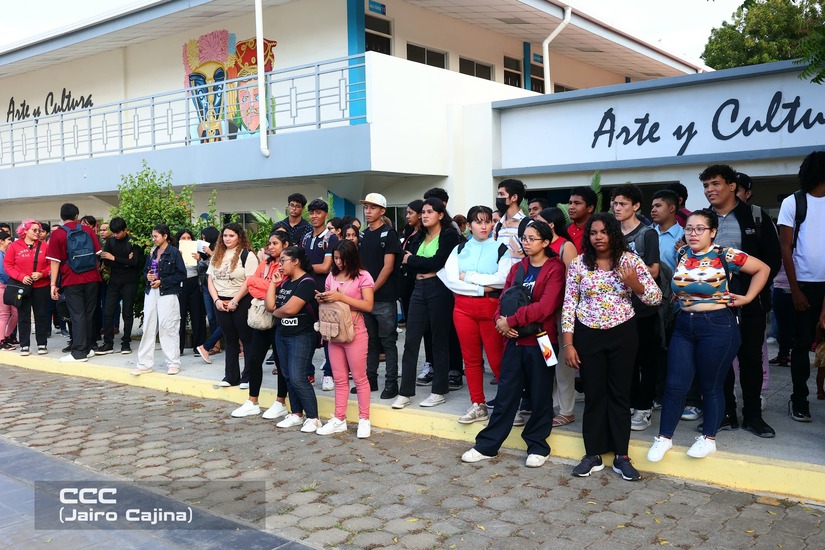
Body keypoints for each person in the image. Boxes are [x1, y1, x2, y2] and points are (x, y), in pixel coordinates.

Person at [648, 210, 769, 462]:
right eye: (689, 228)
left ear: (712, 232)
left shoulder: (726, 254)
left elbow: (763, 269)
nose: (693, 234)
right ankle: (664, 438)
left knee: (711, 385)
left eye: (699, 229)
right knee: (675, 384)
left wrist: (747, 298)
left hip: (717, 325)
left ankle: (708, 439)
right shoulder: (682, 253)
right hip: (684, 325)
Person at [563, 213, 661, 481]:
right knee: (594, 394)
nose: (598, 237)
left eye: (604, 232)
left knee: (619, 394)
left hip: (622, 333)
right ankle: (592, 454)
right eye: (593, 233)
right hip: (587, 334)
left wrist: (634, 284)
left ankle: (621, 456)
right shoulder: (579, 263)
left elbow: (655, 298)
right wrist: (568, 344)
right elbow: (569, 304)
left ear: (613, 234)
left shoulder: (629, 260)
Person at [461, 221, 565, 467]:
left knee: (541, 395)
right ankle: (488, 445)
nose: (526, 243)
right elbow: (504, 298)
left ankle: (538, 445)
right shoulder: (518, 267)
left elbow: (546, 306)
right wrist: (500, 321)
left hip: (543, 341)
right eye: (524, 238)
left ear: (546, 242)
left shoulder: (555, 269)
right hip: (514, 341)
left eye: (532, 238)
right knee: (506, 393)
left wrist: (511, 321)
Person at [703, 164, 780, 437]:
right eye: (706, 186)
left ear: (732, 186)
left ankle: (753, 417)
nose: (710, 190)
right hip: (713, 304)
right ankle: (725, 415)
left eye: (715, 184)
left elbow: (772, 260)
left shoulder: (755, 216)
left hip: (750, 302)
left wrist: (752, 291)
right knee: (719, 361)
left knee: (750, 360)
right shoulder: (703, 219)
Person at [439, 205, 510, 424]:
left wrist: (469, 276)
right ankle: (478, 404)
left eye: (488, 221)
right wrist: (482, 288)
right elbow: (451, 280)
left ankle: (509, 406)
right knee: (471, 360)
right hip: (462, 309)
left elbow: (503, 279)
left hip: (491, 308)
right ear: (469, 226)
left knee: (498, 360)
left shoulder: (501, 248)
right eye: (478, 222)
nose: (484, 226)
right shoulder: (459, 249)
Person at [393, 198, 461, 409]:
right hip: (418, 288)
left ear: (440, 214)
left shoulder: (449, 234)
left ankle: (439, 391)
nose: (424, 215)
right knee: (411, 340)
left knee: (439, 340)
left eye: (430, 211)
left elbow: (437, 262)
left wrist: (413, 260)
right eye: (423, 212)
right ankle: (405, 392)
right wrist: (416, 263)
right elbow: (407, 262)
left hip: (439, 288)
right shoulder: (419, 235)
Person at [778, 151, 825, 422]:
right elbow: (785, 248)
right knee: (802, 344)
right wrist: (795, 289)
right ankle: (799, 399)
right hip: (803, 285)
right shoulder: (794, 202)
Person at [611, 184, 661, 433]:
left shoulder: (647, 234)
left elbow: (654, 270)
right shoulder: (612, 232)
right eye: (615, 203)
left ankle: (644, 407)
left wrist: (630, 271)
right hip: (618, 308)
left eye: (623, 204)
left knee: (646, 360)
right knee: (625, 359)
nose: (617, 208)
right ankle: (630, 402)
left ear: (636, 206)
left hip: (643, 307)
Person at [231, 229, 292, 420]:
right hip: (262, 317)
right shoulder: (265, 263)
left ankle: (280, 402)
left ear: (285, 245)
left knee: (281, 363)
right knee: (254, 359)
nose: (270, 247)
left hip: (279, 317)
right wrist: (267, 287)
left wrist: (265, 286)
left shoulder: (286, 265)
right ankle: (252, 401)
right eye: (269, 243)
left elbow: (281, 287)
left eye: (275, 243)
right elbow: (251, 285)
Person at [316, 240, 375, 438]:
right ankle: (339, 418)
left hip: (355, 331)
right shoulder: (331, 276)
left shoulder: (363, 276)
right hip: (334, 332)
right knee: (340, 379)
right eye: (335, 258)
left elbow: (368, 305)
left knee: (359, 378)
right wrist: (324, 298)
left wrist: (341, 298)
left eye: (342, 258)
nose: (338, 262)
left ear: (351, 257)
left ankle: (364, 419)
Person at [265, 246, 322, 433]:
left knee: (298, 377)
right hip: (282, 334)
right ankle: (296, 414)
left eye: (283, 260)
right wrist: (273, 283)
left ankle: (313, 418)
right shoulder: (285, 282)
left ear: (296, 261)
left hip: (301, 335)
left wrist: (276, 312)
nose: (280, 265)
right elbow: (269, 305)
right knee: (287, 376)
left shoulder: (307, 282)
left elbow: (290, 309)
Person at [536, 207, 578, 427]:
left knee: (563, 364)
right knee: (547, 359)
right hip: (543, 315)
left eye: (539, 220)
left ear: (551, 224)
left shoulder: (565, 246)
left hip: (561, 313)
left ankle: (567, 410)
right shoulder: (538, 245)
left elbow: (573, 282)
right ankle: (550, 406)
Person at [358, 193, 402, 399]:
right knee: (370, 342)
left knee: (388, 341)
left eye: (373, 207)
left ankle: (391, 383)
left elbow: (388, 267)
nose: (368, 211)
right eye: (366, 207)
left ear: (382, 211)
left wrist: (371, 290)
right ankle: (371, 380)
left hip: (383, 298)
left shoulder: (389, 234)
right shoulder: (363, 235)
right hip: (366, 299)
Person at [47, 204, 103, 363]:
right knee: (89, 314)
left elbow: (55, 262)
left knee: (77, 315)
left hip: (72, 279)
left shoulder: (57, 234)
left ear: (61, 216)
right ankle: (88, 348)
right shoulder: (88, 230)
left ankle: (78, 353)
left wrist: (53, 284)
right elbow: (98, 253)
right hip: (92, 278)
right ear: (77, 216)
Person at [206, 223, 259, 387]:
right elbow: (210, 279)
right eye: (225, 235)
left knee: (246, 338)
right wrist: (216, 300)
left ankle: (248, 377)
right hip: (221, 301)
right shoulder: (217, 254)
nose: (227, 239)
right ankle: (231, 376)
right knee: (230, 339)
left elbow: (250, 281)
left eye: (231, 235)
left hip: (242, 300)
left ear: (239, 237)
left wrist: (235, 300)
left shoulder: (247, 255)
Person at [131, 224, 186, 376]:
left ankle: (173, 363)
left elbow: (181, 275)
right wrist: (148, 277)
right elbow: (145, 271)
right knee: (148, 326)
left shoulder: (174, 252)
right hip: (151, 292)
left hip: (168, 293)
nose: (153, 239)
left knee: (168, 327)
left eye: (156, 236)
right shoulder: (152, 252)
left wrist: (162, 282)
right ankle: (144, 363)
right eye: (153, 236)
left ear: (165, 236)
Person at [302, 198, 339, 390]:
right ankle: (308, 372)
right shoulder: (305, 238)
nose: (314, 216)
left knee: (327, 333)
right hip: (305, 291)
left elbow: (325, 267)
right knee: (306, 332)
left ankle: (329, 373)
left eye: (318, 212)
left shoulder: (331, 238)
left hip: (324, 291)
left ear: (326, 215)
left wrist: (304, 268)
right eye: (312, 212)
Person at [96, 217, 142, 355]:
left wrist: (115, 258)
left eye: (118, 232)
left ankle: (126, 343)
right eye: (114, 232)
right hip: (114, 282)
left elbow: (135, 263)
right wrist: (125, 262)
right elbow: (106, 262)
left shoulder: (132, 242)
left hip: (129, 282)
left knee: (127, 313)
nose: (116, 235)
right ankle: (108, 343)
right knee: (108, 312)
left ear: (125, 230)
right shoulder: (110, 242)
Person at [4, 220, 50, 356]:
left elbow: (51, 265)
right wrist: (21, 276)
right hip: (22, 286)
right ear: (25, 231)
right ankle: (25, 345)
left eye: (39, 230)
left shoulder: (44, 246)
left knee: (41, 315)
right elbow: (8, 265)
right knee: (23, 316)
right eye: (34, 230)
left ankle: (42, 343)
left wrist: (42, 274)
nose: (37, 233)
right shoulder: (14, 246)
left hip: (41, 286)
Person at [174, 229, 206, 356]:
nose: (186, 240)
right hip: (180, 283)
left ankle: (198, 346)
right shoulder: (174, 251)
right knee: (179, 315)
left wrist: (199, 259)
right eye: (183, 238)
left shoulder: (197, 251)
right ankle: (178, 346)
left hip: (194, 282)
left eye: (188, 237)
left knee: (197, 314)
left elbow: (205, 268)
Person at [197, 227, 223, 361]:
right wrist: (199, 258)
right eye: (202, 238)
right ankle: (215, 346)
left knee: (220, 317)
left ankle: (236, 345)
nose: (203, 240)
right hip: (205, 285)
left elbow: (220, 264)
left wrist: (210, 253)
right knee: (211, 317)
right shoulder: (203, 250)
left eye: (205, 237)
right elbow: (200, 268)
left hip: (217, 286)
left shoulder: (220, 248)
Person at [651, 190, 685, 274]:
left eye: (658, 206)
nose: (653, 210)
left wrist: (685, 252)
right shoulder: (646, 234)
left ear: (672, 208)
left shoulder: (685, 236)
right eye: (653, 207)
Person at [493, 178, 527, 256]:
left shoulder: (527, 224)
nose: (498, 197)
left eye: (502, 194)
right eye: (498, 194)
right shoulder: (498, 225)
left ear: (514, 197)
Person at [0, 231, 19, 350]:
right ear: (1, 241)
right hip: (3, 286)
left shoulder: (4, 254)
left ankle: (7, 336)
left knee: (15, 313)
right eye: (8, 240)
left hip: (8, 286)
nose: (10, 242)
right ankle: (1, 340)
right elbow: (3, 273)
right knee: (4, 314)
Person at [567, 186, 598, 253]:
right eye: (570, 203)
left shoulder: (597, 231)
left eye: (577, 203)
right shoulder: (565, 229)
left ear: (590, 208)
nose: (571, 207)